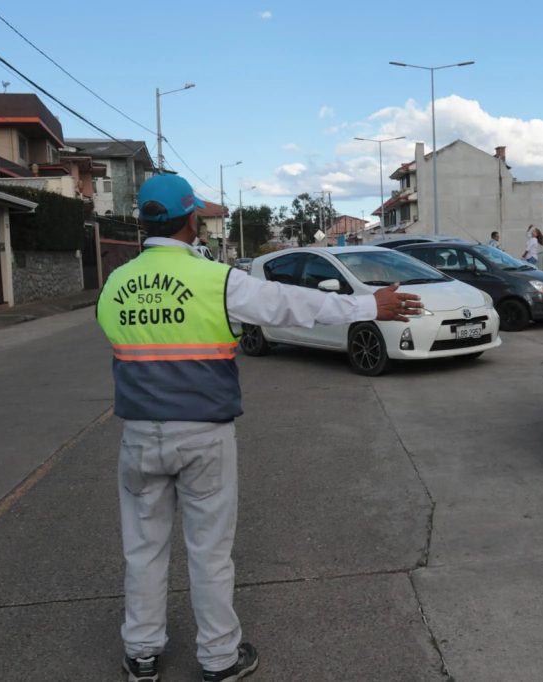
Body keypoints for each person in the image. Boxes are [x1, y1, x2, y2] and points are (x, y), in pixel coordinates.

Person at [96, 174, 423, 682]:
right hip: (203, 434)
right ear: (191, 219)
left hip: (139, 435)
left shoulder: (115, 284)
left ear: (143, 222)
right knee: (209, 552)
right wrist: (368, 304)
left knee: (142, 549)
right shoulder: (216, 280)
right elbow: (290, 303)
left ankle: (141, 654)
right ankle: (219, 658)